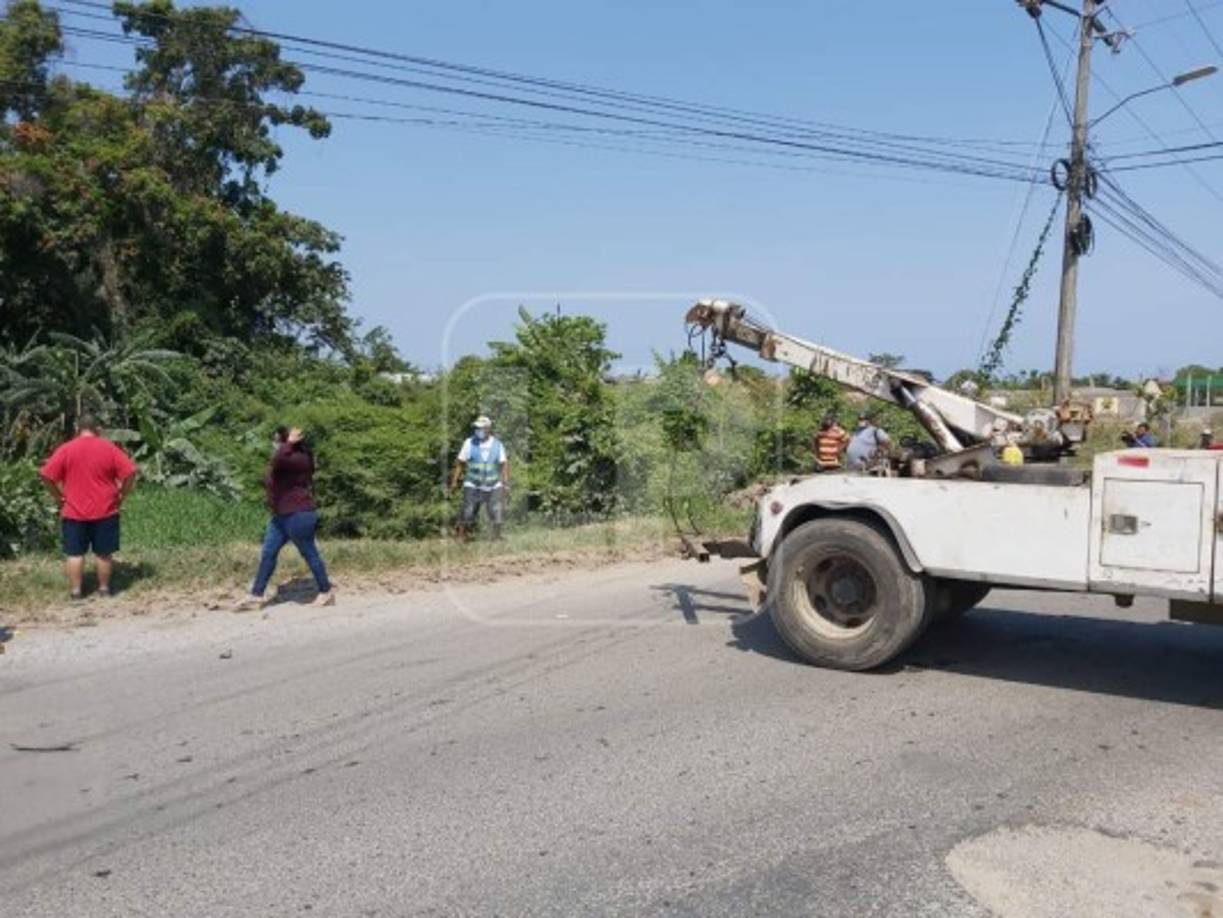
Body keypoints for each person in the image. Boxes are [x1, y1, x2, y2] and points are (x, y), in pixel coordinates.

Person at [39, 413, 138, 600]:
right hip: (106, 509)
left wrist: (57, 497)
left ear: (78, 429)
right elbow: (130, 472)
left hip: (74, 511)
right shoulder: (109, 448)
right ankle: (103, 590)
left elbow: (46, 475)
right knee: (103, 554)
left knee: (74, 554)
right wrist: (122, 494)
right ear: (97, 429)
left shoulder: (66, 449)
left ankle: (76, 592)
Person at [234, 426, 334, 611]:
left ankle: (326, 592)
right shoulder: (288, 458)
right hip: (281, 516)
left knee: (310, 554)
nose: (275, 445)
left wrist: (288, 443)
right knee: (268, 553)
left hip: (298, 514)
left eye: (277, 440)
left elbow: (278, 460)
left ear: (289, 442)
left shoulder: (297, 459)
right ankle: (256, 595)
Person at [450, 415, 510, 539]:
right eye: (477, 428)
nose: (478, 430)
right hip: (473, 483)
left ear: (488, 429)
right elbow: (460, 463)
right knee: (469, 511)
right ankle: (461, 535)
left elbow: (504, 464)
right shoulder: (468, 443)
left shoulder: (498, 445)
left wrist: (506, 483)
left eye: (481, 428)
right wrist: (454, 481)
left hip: (493, 484)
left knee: (496, 511)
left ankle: (496, 538)